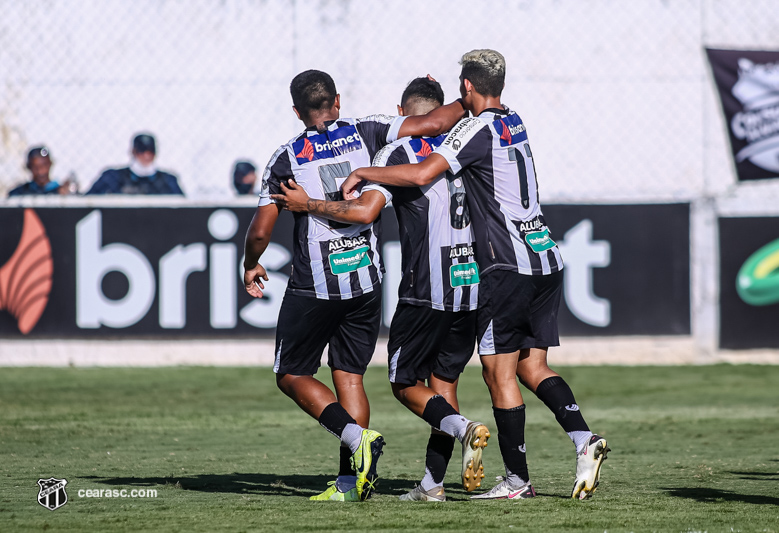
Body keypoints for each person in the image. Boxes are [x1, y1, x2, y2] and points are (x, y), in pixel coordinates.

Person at [341, 50, 610, 501]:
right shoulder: (515, 120)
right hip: (545, 254)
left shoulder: (473, 129)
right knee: (532, 366)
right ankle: (583, 439)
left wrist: (364, 169)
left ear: (466, 86)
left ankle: (518, 480)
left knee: (497, 373)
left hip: (506, 265)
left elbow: (426, 168)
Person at [243, 69, 467, 502]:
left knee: (290, 373)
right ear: (338, 101)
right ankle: (350, 482)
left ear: (296, 111)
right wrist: (471, 93)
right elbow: (434, 123)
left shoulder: (286, 158)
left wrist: (251, 264)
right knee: (349, 377)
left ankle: (355, 439)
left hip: (316, 287)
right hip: (367, 282)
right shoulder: (370, 132)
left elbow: (260, 230)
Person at [86, 133, 183, 195]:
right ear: (133, 152)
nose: (146, 156)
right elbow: (87, 201)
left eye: (151, 152)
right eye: (142, 151)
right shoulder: (112, 178)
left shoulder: (168, 181)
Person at [8, 146, 75, 197]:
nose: (40, 171)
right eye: (35, 167)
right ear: (29, 167)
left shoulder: (61, 191)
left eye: (44, 165)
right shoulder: (20, 193)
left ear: (50, 164)